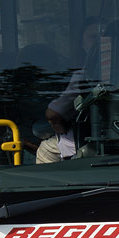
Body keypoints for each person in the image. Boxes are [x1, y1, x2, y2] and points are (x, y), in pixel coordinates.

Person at [35, 17, 106, 164]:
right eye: (93, 37)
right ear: (81, 43)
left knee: (45, 149)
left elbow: (53, 114)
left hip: (90, 144)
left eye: (103, 37)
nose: (98, 42)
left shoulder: (84, 75)